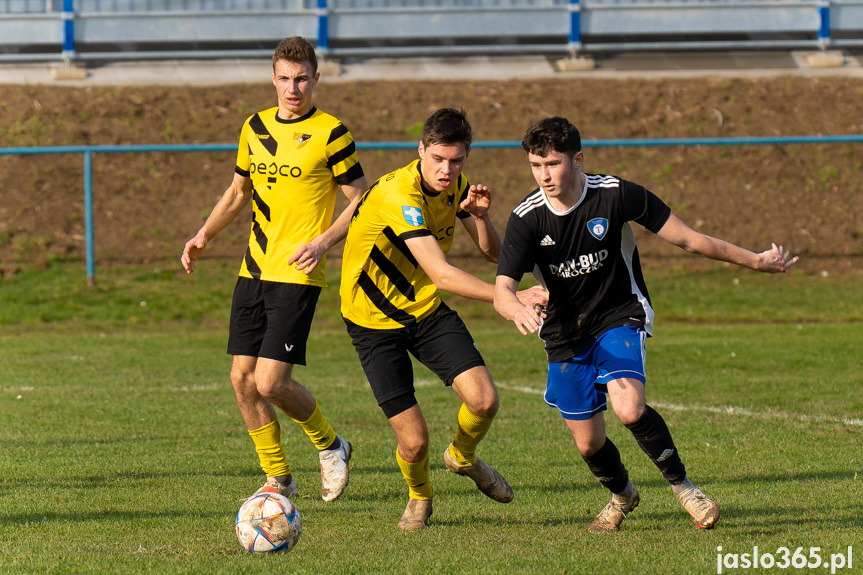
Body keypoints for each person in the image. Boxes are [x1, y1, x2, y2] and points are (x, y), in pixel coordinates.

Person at [494, 116, 798, 533]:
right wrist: (517, 310)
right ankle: (622, 494)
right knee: (588, 442)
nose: (544, 175)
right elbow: (502, 289)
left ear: (578, 160)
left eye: (553, 164)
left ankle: (686, 489)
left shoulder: (615, 194)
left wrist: (756, 261)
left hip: (619, 313)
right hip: (565, 332)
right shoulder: (526, 218)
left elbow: (688, 239)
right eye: (535, 165)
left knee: (629, 406)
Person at [339, 108, 547, 531]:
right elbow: (443, 274)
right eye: (438, 159)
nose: (447, 170)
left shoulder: (459, 188)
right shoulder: (400, 193)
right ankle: (419, 498)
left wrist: (482, 217)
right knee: (414, 444)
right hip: (373, 322)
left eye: (456, 161)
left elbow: (493, 254)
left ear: (466, 157)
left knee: (485, 400)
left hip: (425, 310)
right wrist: (508, 296)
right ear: (420, 151)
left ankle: (462, 457)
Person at [181, 36, 367, 502]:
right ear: (273, 79)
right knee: (242, 380)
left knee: (271, 381)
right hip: (254, 269)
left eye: (302, 78)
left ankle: (331, 445)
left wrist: (323, 241)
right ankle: (277, 477)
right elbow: (237, 192)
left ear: (316, 79)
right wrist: (204, 234)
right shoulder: (255, 127)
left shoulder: (331, 133)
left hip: (298, 273)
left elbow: (362, 199)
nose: (293, 88)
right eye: (284, 78)